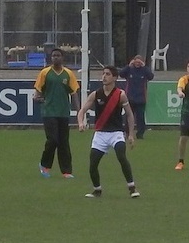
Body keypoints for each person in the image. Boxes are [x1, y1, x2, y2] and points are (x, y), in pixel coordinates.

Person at [78, 65, 140, 199]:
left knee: (121, 157)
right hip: (100, 134)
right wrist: (81, 123)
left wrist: (130, 134)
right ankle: (97, 190)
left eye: (107, 74)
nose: (104, 77)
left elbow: (129, 115)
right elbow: (82, 110)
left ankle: (132, 187)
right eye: (103, 74)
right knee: (93, 163)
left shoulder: (120, 95)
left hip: (116, 133)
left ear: (115, 78)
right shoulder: (96, 94)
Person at [33, 47, 80, 178]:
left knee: (64, 142)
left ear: (62, 58)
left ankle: (66, 171)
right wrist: (38, 98)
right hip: (49, 112)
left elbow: (74, 93)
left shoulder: (68, 74)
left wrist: (79, 112)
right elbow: (37, 92)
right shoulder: (45, 73)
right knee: (53, 139)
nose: (55, 58)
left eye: (58, 55)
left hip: (63, 112)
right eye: (53, 56)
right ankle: (45, 165)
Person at [119, 54, 154, 139]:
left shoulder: (144, 71)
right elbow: (121, 74)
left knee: (140, 118)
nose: (137, 64)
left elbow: (151, 76)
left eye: (139, 62)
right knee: (128, 117)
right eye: (136, 61)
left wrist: (145, 67)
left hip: (141, 99)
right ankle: (127, 133)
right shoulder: (130, 70)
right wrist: (128, 66)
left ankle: (140, 134)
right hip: (129, 98)